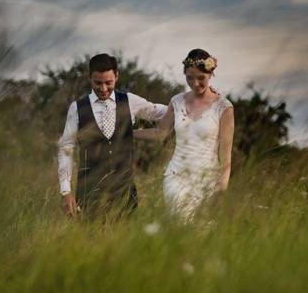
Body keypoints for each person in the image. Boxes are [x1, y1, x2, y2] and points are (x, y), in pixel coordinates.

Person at [57, 53, 169, 218]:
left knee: (125, 243)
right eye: (98, 83)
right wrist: (65, 191)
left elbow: (161, 112)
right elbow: (66, 149)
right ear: (90, 78)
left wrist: (196, 100)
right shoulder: (77, 108)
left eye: (108, 83)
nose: (103, 89)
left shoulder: (129, 100)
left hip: (125, 192)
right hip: (90, 193)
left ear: (117, 76)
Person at [135, 48, 235, 220]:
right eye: (189, 77)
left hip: (207, 179)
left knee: (203, 231)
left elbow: (225, 156)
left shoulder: (224, 107)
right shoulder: (177, 101)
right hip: (177, 176)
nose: (195, 83)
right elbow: (161, 133)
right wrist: (128, 133)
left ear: (210, 74)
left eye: (200, 78)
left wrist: (221, 189)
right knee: (180, 222)